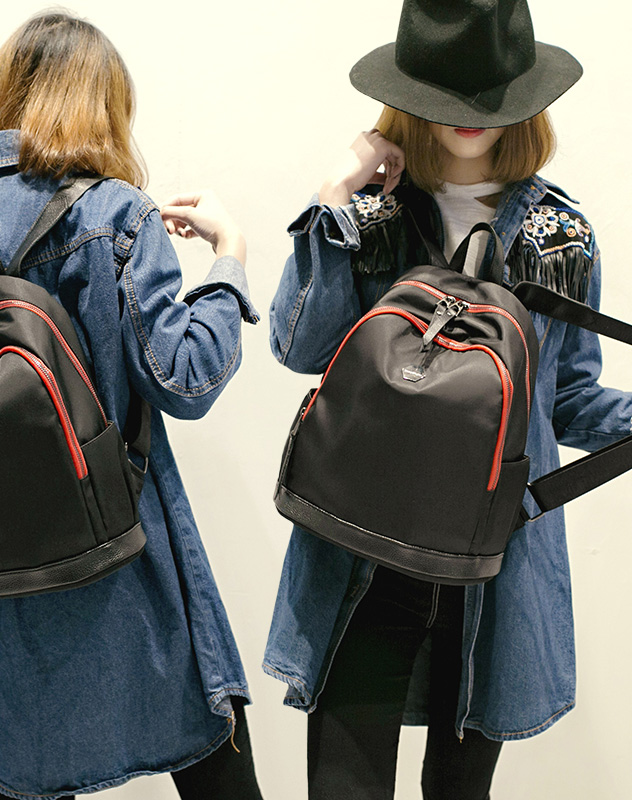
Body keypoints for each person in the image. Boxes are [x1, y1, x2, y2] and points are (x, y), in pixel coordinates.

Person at [0, 12, 265, 800]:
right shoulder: (115, 214)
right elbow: (186, 380)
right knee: (215, 770)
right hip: (123, 563)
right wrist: (229, 260)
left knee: (26, 779)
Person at [264, 1, 630, 798]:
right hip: (364, 553)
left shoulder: (560, 234)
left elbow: (568, 398)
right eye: (446, 92)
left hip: (495, 564)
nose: (468, 115)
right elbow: (300, 349)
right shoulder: (371, 218)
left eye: (490, 93)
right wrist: (333, 193)